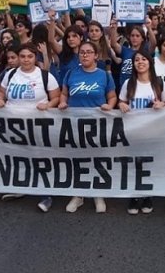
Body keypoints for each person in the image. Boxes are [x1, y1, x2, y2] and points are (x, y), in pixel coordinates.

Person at [0, 42, 60, 210]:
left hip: (38, 126)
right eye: (22, 56)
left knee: (40, 159)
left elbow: (56, 97)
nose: (26, 60)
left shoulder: (45, 76)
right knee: (18, 156)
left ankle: (46, 195)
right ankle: (20, 187)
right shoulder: (10, 74)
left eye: (30, 56)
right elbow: (1, 91)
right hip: (14, 125)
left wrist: (48, 105)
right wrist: (0, 99)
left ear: (35, 57)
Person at [59, 42, 116, 213]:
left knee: (97, 158)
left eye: (89, 52)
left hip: (97, 124)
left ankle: (98, 194)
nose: (85, 55)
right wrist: (62, 102)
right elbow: (64, 93)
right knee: (77, 159)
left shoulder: (104, 75)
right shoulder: (71, 73)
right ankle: (78, 195)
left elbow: (112, 96)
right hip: (75, 123)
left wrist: (109, 105)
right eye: (82, 52)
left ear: (96, 56)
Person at [118, 51, 165, 215]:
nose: (140, 62)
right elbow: (121, 101)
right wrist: (121, 105)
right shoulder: (128, 83)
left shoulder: (158, 83)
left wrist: (162, 104)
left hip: (152, 132)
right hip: (132, 132)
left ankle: (147, 195)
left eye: (143, 59)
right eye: (137, 60)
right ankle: (133, 195)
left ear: (150, 62)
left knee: (149, 164)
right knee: (133, 164)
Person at [110, 21, 157, 89]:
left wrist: (149, 28)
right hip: (124, 87)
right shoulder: (125, 50)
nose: (134, 38)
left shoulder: (145, 52)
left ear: (142, 38)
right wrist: (114, 28)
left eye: (137, 36)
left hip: (139, 88)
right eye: (132, 35)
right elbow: (113, 44)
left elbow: (153, 44)